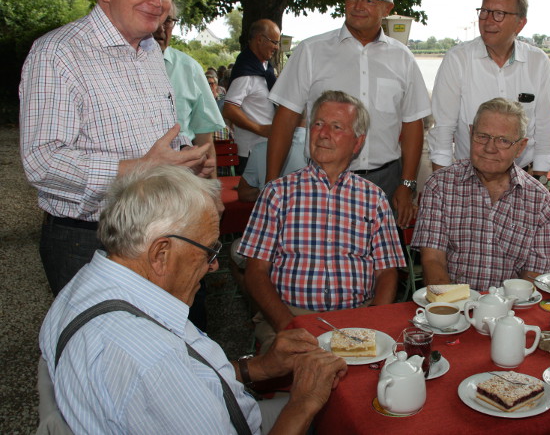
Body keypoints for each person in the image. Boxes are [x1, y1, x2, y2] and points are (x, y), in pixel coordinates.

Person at [38, 164, 347, 435]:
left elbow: (187, 381)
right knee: (345, 414)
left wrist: (260, 368)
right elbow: (164, 378)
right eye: (209, 250)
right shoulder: (151, 360)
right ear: (161, 253)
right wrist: (303, 404)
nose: (214, 265)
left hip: (231, 412)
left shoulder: (84, 286)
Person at [19, 0, 213, 296]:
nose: (157, 2)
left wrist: (185, 159)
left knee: (167, 344)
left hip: (160, 231)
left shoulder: (150, 50)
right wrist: (141, 167)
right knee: (108, 347)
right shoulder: (57, 54)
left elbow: (155, 136)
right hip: (89, 241)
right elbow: (41, 162)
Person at [239, 91, 405, 352]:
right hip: (289, 314)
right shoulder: (277, 194)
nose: (323, 133)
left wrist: (371, 321)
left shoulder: (374, 198)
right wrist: (288, 325)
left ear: (357, 143)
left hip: (356, 316)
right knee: (303, 368)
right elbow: (255, 272)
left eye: (336, 127)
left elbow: (387, 271)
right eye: (318, 123)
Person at [266, 0, 430, 228]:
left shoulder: (402, 59)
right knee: (318, 262)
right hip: (323, 181)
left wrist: (407, 184)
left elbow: (412, 124)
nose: (358, 5)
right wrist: (271, 186)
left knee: (382, 265)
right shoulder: (311, 51)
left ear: (387, 8)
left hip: (385, 182)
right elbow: (285, 118)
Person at [412, 98, 550, 291]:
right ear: (471, 133)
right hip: (453, 308)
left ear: (520, 147)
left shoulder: (540, 201)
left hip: (512, 311)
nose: (490, 148)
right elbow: (433, 260)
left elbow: (534, 275)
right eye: (483, 136)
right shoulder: (440, 186)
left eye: (503, 141)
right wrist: (450, 309)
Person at [428, 0, 550, 178]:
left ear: (520, 23)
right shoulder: (458, 59)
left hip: (521, 178)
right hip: (468, 177)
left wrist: (539, 180)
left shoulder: (537, 62)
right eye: (484, 12)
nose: (488, 21)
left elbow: (545, 128)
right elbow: (443, 130)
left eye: (499, 14)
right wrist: (442, 188)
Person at [153, 3, 225, 172]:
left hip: (182, 181)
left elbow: (204, 137)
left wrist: (213, 194)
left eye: (168, 21)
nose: (160, 29)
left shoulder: (189, 68)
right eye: (155, 18)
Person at [223, 19, 281, 174]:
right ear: (260, 39)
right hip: (251, 151)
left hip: (266, 147)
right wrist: (260, 129)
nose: (276, 47)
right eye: (274, 42)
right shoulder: (246, 71)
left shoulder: (264, 68)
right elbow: (229, 109)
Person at [236, 127, 307, 202]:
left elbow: (244, 193)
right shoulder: (314, 148)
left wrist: (262, 190)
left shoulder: (260, 149)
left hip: (271, 206)